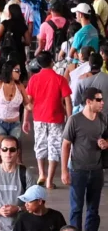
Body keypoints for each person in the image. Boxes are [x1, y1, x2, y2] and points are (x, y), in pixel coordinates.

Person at [62, 87, 108, 231]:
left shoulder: (102, 119)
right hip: (78, 170)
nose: (102, 102)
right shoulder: (75, 120)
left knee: (93, 210)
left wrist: (105, 143)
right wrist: (64, 171)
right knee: (76, 209)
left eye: (102, 99)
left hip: (96, 170)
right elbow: (65, 145)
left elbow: (106, 138)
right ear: (88, 102)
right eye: (98, 99)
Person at [29, 52, 73, 189]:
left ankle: (41, 174)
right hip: (56, 118)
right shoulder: (60, 79)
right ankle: (49, 180)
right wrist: (70, 118)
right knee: (54, 148)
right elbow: (67, 100)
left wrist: (26, 118)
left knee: (40, 145)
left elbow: (28, 101)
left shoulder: (34, 79)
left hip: (38, 118)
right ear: (52, 62)